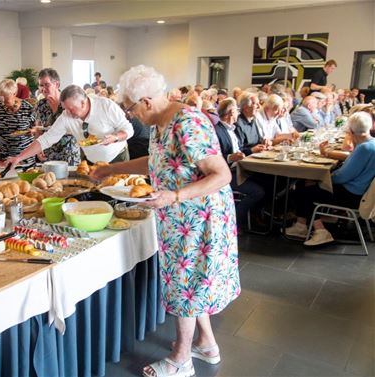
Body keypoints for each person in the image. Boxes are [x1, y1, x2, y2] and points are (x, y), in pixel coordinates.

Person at [91, 65, 239, 377]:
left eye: (130, 108)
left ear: (145, 101)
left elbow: (222, 174)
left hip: (198, 218)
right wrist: (109, 171)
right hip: (182, 216)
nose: (130, 116)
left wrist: (173, 196)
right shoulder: (163, 121)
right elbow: (157, 159)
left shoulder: (186, 122)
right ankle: (207, 345)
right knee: (192, 284)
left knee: (185, 286)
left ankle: (181, 360)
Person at [285, 112, 375, 245]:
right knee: (306, 185)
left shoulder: (364, 148)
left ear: (350, 131)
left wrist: (323, 179)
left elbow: (343, 176)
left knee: (305, 190)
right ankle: (301, 225)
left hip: (352, 195)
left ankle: (320, 231)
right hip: (361, 192)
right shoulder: (371, 143)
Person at [5, 85, 133, 167]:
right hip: (92, 162)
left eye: (71, 109)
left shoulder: (106, 106)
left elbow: (128, 129)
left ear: (83, 103)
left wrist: (115, 137)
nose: (68, 113)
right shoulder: (66, 115)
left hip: (117, 159)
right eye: (65, 109)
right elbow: (46, 139)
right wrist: (19, 157)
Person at [214, 98, 265, 229]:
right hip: (228, 174)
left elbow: (239, 151)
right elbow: (215, 158)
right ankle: (235, 222)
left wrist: (252, 150)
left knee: (268, 182)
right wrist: (231, 157)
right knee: (258, 192)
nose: (238, 113)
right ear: (231, 113)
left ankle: (257, 216)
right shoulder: (217, 131)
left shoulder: (232, 130)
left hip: (239, 170)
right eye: (236, 111)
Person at [0, 79, 35, 167]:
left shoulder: (27, 108)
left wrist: (32, 131)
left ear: (14, 94)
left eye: (6, 100)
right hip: (4, 155)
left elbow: (37, 127)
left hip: (24, 156)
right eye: (1, 99)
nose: (3, 103)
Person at [32, 68, 80, 166]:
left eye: (47, 84)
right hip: (48, 154)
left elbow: (79, 126)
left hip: (69, 152)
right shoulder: (40, 105)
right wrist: (38, 149)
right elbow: (38, 129)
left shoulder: (69, 102)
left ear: (57, 84)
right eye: (41, 85)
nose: (43, 89)